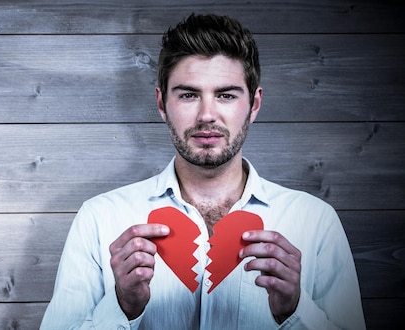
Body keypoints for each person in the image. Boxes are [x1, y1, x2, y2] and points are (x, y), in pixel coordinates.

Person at [40, 13, 366, 329]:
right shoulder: (99, 219)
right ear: (161, 104)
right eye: (188, 95)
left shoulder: (316, 223)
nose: (206, 115)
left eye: (225, 95)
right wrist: (122, 306)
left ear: (253, 104)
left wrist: (294, 311)